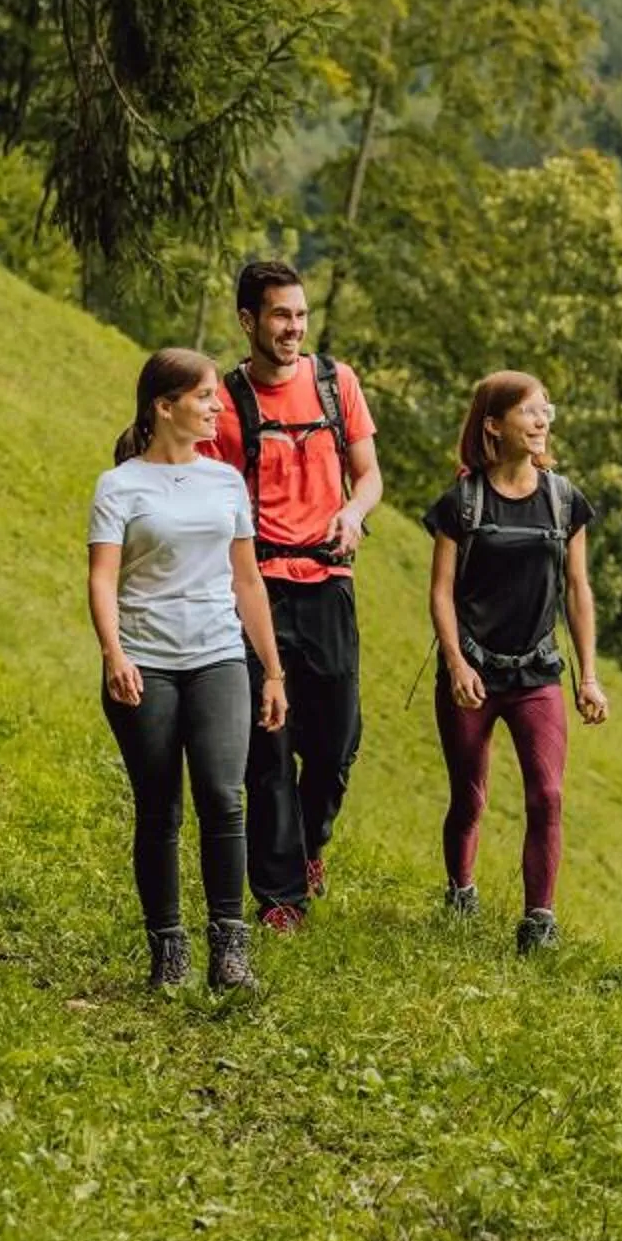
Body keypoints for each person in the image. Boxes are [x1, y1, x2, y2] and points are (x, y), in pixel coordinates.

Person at [89, 351, 289, 991]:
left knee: (224, 797)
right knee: (159, 808)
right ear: (164, 405)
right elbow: (102, 578)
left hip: (218, 656)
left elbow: (247, 579)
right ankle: (167, 951)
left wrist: (273, 671)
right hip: (144, 663)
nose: (216, 407)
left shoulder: (226, 482)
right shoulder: (119, 486)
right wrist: (114, 653)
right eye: (204, 397)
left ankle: (230, 953)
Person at [205, 258, 380, 929]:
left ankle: (310, 846)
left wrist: (354, 513)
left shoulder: (338, 385)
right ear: (249, 320)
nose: (293, 328)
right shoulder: (221, 403)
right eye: (281, 315)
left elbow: (368, 475)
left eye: (300, 315)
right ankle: (282, 898)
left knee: (337, 741)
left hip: (329, 583)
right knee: (268, 747)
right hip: (258, 589)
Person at [423, 373, 608, 954]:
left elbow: (577, 589)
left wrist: (590, 676)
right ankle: (460, 890)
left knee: (547, 795)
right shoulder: (463, 502)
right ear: (493, 425)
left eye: (545, 409)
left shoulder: (563, 498)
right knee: (469, 795)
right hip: (474, 674)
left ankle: (539, 921)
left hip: (536, 674)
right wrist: (455, 664)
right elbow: (440, 592)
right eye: (528, 411)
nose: (541, 420)